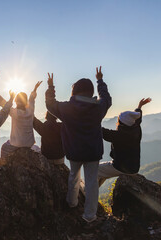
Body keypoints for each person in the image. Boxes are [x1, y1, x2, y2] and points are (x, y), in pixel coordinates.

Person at [45, 67, 112, 223]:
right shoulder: (98, 108)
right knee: (91, 183)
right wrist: (100, 81)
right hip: (93, 152)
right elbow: (107, 99)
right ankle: (89, 216)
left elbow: (50, 104)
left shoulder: (67, 108)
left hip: (74, 151)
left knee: (73, 177)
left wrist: (50, 87)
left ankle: (72, 202)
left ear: (74, 91)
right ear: (90, 91)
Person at [98, 98, 152, 186]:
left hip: (121, 167)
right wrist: (139, 106)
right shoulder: (136, 128)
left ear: (121, 123)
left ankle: (87, 193)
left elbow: (101, 131)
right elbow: (138, 118)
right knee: (103, 170)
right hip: (134, 167)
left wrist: (91, 120)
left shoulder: (119, 135)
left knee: (96, 170)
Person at [0, 81, 42, 159]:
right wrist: (35, 88)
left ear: (16, 101)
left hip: (16, 144)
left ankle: (3, 167)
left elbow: (2, 102)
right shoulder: (30, 111)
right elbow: (32, 98)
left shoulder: (14, 112)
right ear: (26, 102)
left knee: (4, 147)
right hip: (29, 144)